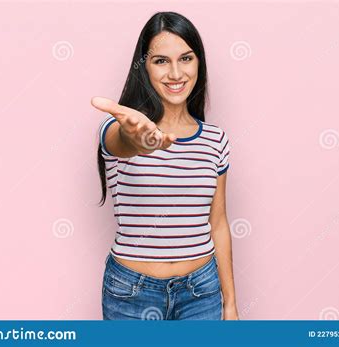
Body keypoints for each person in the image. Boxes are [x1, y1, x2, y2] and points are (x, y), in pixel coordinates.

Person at [92, 11, 239, 320]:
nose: (175, 73)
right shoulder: (120, 127)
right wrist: (139, 142)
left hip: (202, 291)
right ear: (144, 67)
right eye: (160, 61)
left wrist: (230, 304)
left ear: (199, 62)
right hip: (130, 292)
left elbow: (219, 223)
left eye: (185, 59)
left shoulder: (216, 140)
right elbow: (121, 142)